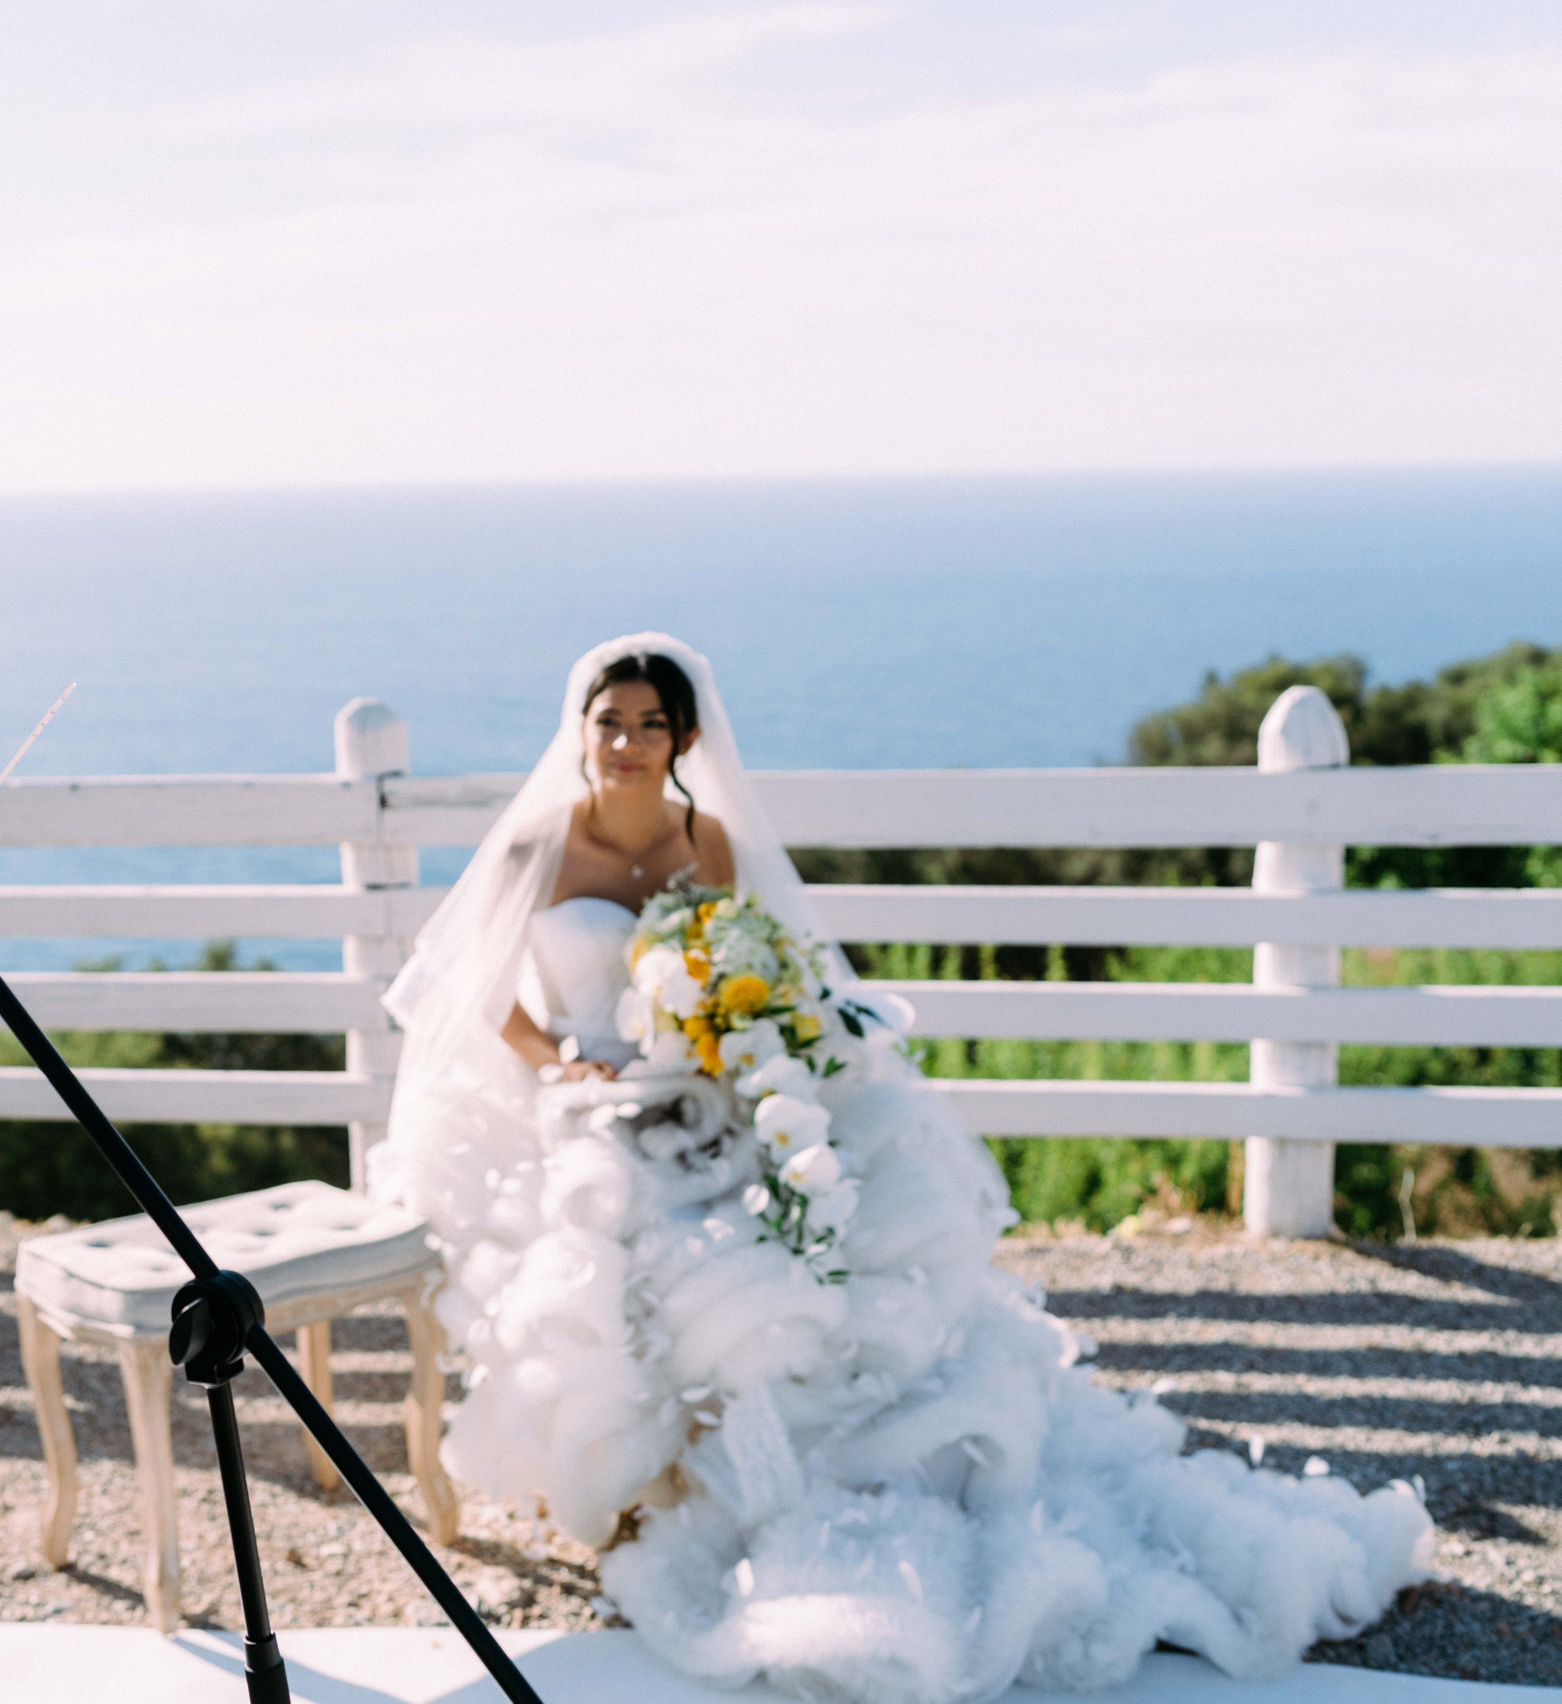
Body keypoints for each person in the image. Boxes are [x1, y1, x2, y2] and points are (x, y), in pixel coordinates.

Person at [375, 634, 1433, 1703]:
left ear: (685, 738)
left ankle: (788, 1462)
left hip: (707, 1090)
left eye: (653, 725)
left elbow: (754, 977)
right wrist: (558, 1058)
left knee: (805, 1225)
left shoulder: (714, 843)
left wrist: (739, 1054)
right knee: (668, 1245)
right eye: (611, 723)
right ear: (582, 731)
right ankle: (662, 1481)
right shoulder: (534, 854)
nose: (629, 744)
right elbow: (470, 995)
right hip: (594, 1111)